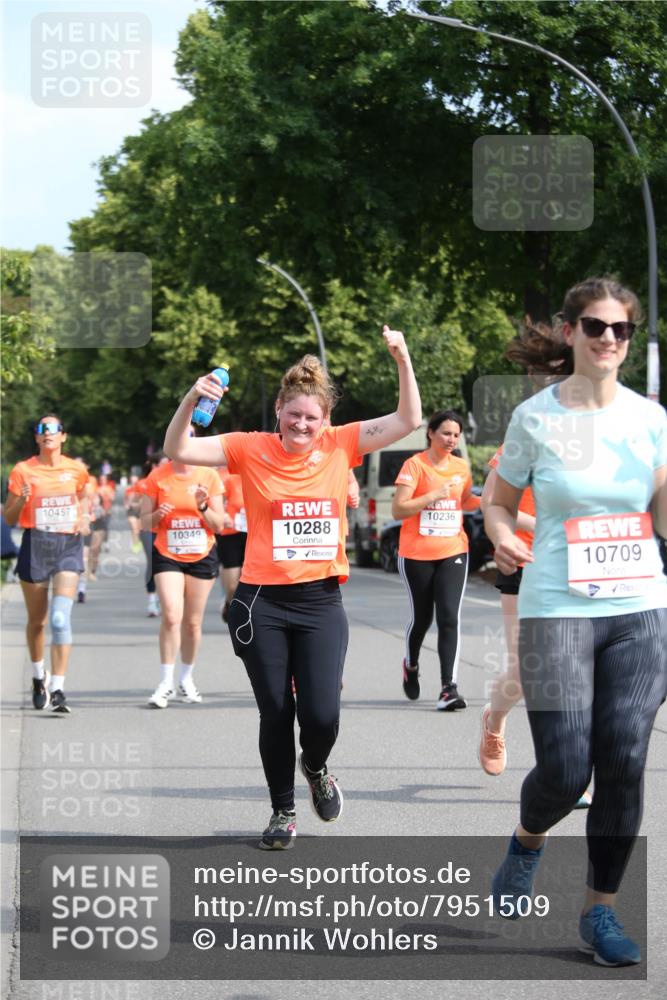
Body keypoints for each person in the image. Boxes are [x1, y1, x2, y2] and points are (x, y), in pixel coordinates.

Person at [163, 327, 421, 849]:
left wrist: (402, 359)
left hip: (322, 600)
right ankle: (283, 810)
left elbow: (408, 420)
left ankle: (317, 766)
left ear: (324, 420)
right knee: (276, 711)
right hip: (263, 602)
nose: (302, 424)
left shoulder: (340, 444)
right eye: (293, 413)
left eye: (312, 416)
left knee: (322, 713)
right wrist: (194, 397)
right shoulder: (247, 448)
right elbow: (178, 447)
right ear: (279, 409)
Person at [484, 278, 667, 966]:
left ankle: (600, 912)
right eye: (594, 326)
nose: (608, 340)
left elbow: (663, 516)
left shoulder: (650, 419)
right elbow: (497, 503)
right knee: (564, 771)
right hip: (555, 606)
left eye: (620, 330)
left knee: (622, 755)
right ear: (569, 332)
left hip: (638, 607)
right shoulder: (534, 417)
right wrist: (501, 533)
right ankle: (528, 839)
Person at [392, 410, 480, 710]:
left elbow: (465, 501)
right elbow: (399, 510)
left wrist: (493, 500)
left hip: (453, 550)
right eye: (445, 433)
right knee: (422, 618)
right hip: (416, 554)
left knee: (448, 617)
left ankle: (448, 688)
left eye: (456, 435)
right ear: (430, 433)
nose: (451, 439)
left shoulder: (461, 466)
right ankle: (411, 664)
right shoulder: (414, 466)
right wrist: (433, 496)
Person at [4, 415, 90, 713]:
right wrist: (21, 501)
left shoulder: (76, 469)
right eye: (42, 429)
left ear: (63, 436)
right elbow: (9, 519)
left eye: (53, 429)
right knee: (38, 621)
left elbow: (84, 497)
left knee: (59, 619)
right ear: (37, 438)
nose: (48, 433)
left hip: (68, 545)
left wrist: (84, 517)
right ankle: (39, 676)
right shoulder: (23, 471)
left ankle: (58, 689)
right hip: (36, 545)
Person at [140, 442, 224, 707]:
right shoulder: (157, 476)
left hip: (202, 555)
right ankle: (166, 682)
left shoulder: (208, 476)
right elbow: (143, 521)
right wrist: (156, 515)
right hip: (168, 553)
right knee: (172, 615)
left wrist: (202, 507)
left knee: (192, 622)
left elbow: (219, 524)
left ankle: (186, 678)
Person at [216, 467, 247, 623]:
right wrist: (223, 514)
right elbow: (215, 502)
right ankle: (229, 603)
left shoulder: (263, 468)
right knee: (233, 586)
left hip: (256, 533)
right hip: (231, 534)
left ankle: (247, 615)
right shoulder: (223, 475)